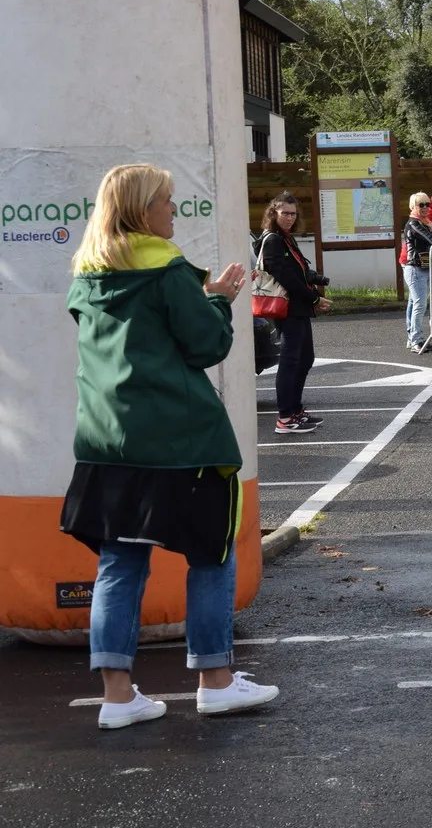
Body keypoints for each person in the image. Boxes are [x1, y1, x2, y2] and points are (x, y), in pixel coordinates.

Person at [62, 163, 279, 729]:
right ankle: (215, 681)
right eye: (166, 201)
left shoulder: (87, 275)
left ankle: (117, 697)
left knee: (119, 562)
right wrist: (219, 299)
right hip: (182, 442)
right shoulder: (167, 269)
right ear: (141, 211)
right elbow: (205, 345)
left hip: (106, 442)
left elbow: (141, 336)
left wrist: (196, 295)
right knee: (211, 554)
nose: (173, 211)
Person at [259, 193, 331, 434]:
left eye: (292, 213)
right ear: (273, 213)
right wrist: (313, 297)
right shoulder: (273, 240)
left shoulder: (285, 238)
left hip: (297, 307)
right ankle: (285, 417)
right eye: (284, 213)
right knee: (291, 361)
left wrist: (318, 280)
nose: (289, 218)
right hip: (287, 308)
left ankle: (295, 410)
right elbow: (285, 276)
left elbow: (298, 270)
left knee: (304, 358)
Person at [402, 192, 432, 352]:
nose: (425, 208)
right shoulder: (414, 224)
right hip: (415, 267)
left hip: (422, 267)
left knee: (414, 303)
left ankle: (415, 338)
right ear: (413, 207)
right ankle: (416, 340)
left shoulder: (425, 223)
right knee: (420, 304)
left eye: (427, 204)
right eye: (421, 205)